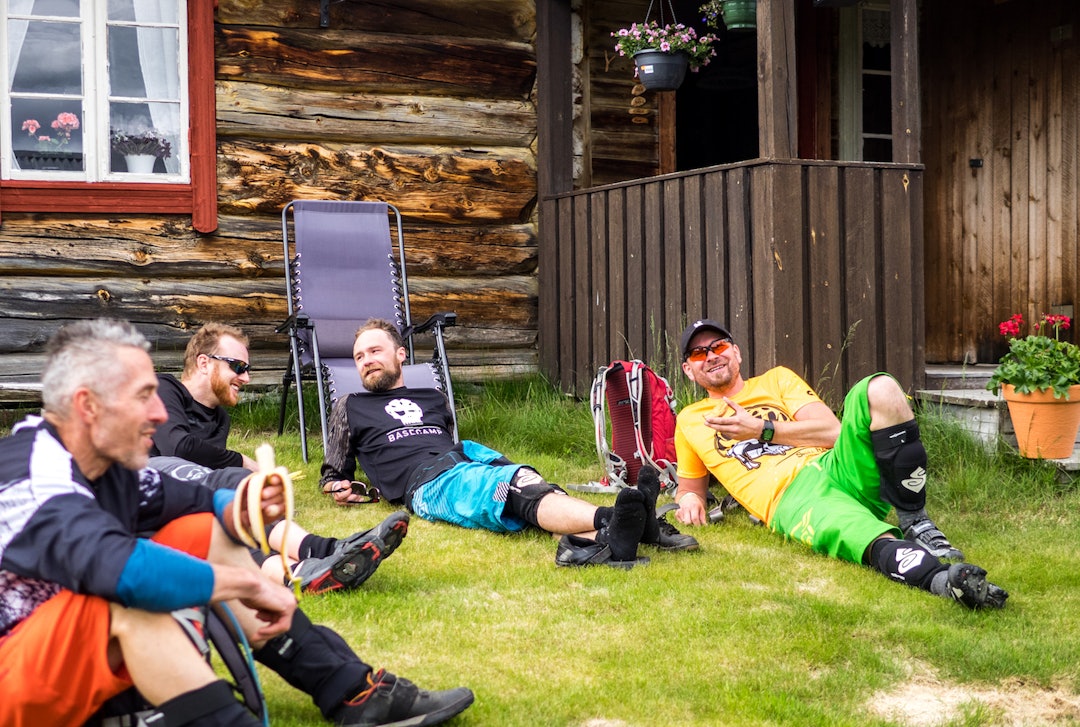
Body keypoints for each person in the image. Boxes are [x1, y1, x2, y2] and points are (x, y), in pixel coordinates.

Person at [0, 318, 473, 727]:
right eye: (144, 395)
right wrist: (247, 586)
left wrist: (243, 505)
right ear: (87, 406)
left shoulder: (102, 464)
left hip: (67, 658)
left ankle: (350, 689)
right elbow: (121, 568)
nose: (161, 412)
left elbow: (186, 498)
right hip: (14, 684)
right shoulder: (33, 476)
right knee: (133, 603)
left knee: (205, 529)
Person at [672, 318, 1008, 609]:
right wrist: (689, 498)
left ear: (737, 352)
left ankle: (916, 522)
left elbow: (832, 432)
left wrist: (762, 429)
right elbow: (690, 488)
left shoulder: (777, 380)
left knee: (881, 387)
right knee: (855, 533)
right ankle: (944, 581)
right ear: (689, 369)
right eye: (699, 353)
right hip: (792, 496)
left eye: (719, 346)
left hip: (837, 464)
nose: (712, 356)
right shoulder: (690, 420)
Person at [320, 319, 699, 567]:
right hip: (426, 482)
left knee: (532, 486)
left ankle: (610, 535)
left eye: (375, 351)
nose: (366, 361)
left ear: (400, 354)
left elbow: (448, 439)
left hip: (463, 455)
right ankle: (618, 520)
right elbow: (333, 473)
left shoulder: (433, 397)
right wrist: (339, 486)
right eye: (359, 357)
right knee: (509, 490)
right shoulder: (350, 405)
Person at [149, 322, 406, 594]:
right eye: (237, 367)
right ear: (203, 362)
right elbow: (178, 447)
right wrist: (243, 463)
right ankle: (325, 549)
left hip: (188, 503)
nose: (245, 378)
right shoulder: (165, 388)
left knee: (232, 523)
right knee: (238, 481)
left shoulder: (219, 418)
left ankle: (301, 573)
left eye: (246, 369)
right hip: (151, 485)